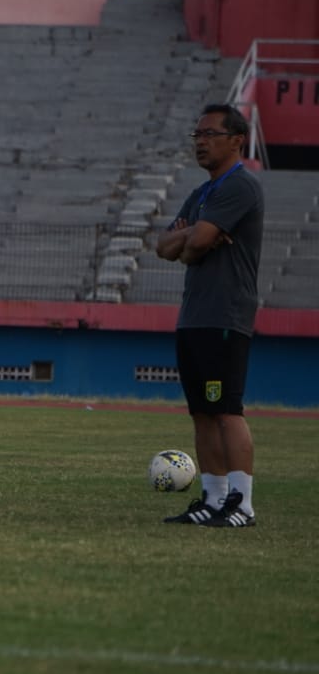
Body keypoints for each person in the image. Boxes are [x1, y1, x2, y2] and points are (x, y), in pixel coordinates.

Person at [155, 103, 263, 528]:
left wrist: (192, 238)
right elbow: (168, 248)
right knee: (201, 410)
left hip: (225, 314)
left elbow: (195, 241)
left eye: (210, 134)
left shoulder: (241, 187)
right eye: (197, 135)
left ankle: (242, 502)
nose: (201, 141)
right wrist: (193, 238)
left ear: (237, 140)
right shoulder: (202, 193)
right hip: (195, 315)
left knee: (226, 409)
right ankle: (213, 498)